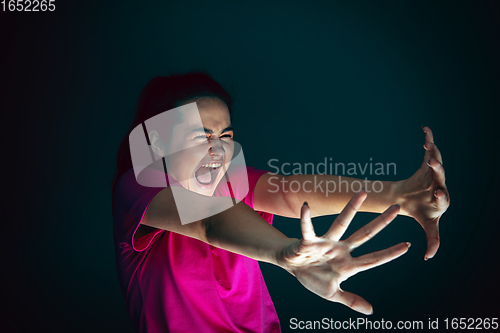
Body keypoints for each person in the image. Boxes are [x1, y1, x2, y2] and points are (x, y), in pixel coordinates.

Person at [111, 71, 450, 333]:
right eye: (202, 136)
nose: (218, 150)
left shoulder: (232, 184)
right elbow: (208, 220)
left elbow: (289, 193)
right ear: (156, 142)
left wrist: (401, 196)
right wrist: (289, 256)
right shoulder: (139, 186)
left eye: (227, 136)